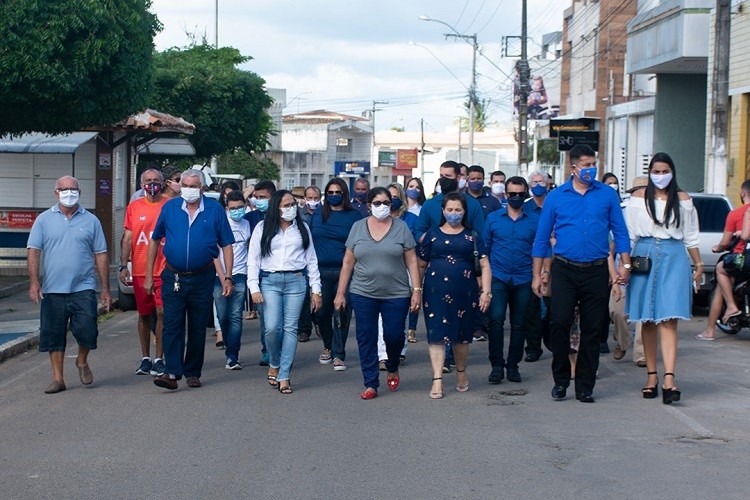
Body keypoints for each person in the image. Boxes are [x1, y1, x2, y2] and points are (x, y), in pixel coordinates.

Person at [532, 144, 631, 403]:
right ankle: (561, 380)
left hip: (596, 270)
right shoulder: (556, 197)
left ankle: (585, 385)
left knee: (593, 328)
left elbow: (620, 232)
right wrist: (537, 274)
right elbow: (542, 239)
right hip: (564, 268)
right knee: (559, 322)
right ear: (573, 167)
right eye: (585, 165)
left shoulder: (607, 194)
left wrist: (625, 265)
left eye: (593, 164)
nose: (590, 169)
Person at [146, 169, 235, 391]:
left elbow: (226, 245)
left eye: (193, 185)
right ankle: (172, 372)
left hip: (202, 277)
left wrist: (227, 277)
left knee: (197, 326)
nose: (189, 189)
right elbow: (155, 240)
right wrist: (149, 274)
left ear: (202, 188)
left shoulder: (214, 209)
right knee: (172, 324)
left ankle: (193, 371)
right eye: (185, 184)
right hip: (173, 275)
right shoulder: (170, 208)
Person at [624, 153, 702, 404]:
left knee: (669, 320)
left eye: (664, 171)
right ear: (649, 173)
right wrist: (623, 265)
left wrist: (699, 264)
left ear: (672, 172)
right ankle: (651, 375)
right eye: (655, 172)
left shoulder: (684, 200)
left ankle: (669, 378)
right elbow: (629, 235)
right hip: (644, 256)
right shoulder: (637, 199)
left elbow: (691, 236)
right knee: (646, 320)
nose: (660, 176)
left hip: (674, 257)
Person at [334, 187, 421, 400]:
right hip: (363, 292)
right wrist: (340, 293)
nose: (382, 207)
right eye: (377, 203)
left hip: (397, 293)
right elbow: (348, 261)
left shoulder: (401, 228)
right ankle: (371, 382)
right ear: (368, 205)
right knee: (366, 337)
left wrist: (416, 290)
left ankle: (392, 365)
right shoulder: (358, 227)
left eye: (386, 202)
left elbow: (411, 260)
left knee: (393, 335)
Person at [27, 176, 111, 394]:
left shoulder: (91, 220)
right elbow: (34, 251)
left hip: (83, 288)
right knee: (53, 334)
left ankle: (82, 360)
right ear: (56, 193)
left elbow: (101, 254)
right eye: (64, 189)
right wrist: (34, 281)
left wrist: (106, 289)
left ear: (80, 192)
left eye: (73, 189)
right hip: (53, 289)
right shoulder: (44, 220)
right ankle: (58, 378)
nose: (68, 193)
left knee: (88, 330)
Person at [248, 190, 322, 394]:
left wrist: (316, 291)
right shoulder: (262, 228)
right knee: (272, 328)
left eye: (292, 204)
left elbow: (312, 260)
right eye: (285, 205)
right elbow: (253, 261)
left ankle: (284, 374)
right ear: (275, 208)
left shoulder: (302, 228)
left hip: (296, 281)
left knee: (290, 329)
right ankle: (274, 360)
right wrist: (253, 288)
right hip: (270, 281)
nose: (290, 209)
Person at [419, 192, 491, 399]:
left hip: (465, 294)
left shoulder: (473, 236)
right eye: (449, 210)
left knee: (461, 338)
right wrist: (415, 290)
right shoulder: (432, 234)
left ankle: (461, 372)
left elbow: (485, 265)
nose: (453, 213)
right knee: (437, 336)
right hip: (434, 293)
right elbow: (421, 264)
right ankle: (437, 380)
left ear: (464, 211)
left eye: (457, 210)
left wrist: (486, 292)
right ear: (443, 211)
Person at [416, 160, 486, 372]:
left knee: (460, 318)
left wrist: (481, 278)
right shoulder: (430, 205)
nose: (443, 180)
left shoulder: (471, 205)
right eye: (441, 176)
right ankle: (443, 360)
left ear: (458, 177)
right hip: (437, 272)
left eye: (448, 176)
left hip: (465, 273)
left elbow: (479, 238)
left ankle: (457, 357)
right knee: (439, 317)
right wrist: (433, 239)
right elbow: (419, 232)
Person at [483, 177, 540, 384]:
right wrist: (483, 281)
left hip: (524, 278)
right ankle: (497, 366)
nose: (516, 197)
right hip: (498, 276)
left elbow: (541, 250)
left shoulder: (535, 220)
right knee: (496, 321)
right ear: (505, 195)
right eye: (512, 194)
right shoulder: (493, 218)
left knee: (519, 324)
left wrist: (541, 275)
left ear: (526, 195)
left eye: (520, 194)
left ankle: (513, 366)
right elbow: (484, 250)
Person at [309, 179, 363, 370]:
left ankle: (339, 354)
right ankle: (327, 345)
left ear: (345, 194)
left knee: (342, 311)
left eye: (337, 192)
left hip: (345, 272)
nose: (334, 195)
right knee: (321, 312)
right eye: (330, 192)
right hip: (320, 272)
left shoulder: (354, 216)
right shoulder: (318, 214)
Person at [120, 168, 168, 377]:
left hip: (164, 269)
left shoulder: (170, 205)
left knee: (162, 313)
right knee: (144, 315)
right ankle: (145, 358)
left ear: (163, 183)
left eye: (156, 180)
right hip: (140, 270)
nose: (152, 183)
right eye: (148, 180)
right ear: (141, 184)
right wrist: (123, 265)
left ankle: (160, 358)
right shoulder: (134, 206)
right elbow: (128, 238)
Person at [698, 180, 750, 340]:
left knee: (721, 272)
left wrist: (719, 247)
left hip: (742, 258)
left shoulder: (738, 213)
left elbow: (727, 242)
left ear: (742, 194)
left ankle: (727, 312)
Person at [375, 183, 418, 365]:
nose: (389, 202)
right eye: (385, 199)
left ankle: (400, 349)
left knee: (400, 314)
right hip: (380, 272)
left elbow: (414, 249)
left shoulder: (411, 219)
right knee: (379, 316)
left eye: (393, 197)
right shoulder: (374, 220)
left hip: (403, 271)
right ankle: (383, 354)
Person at [213, 190, 251, 370]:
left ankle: (233, 355)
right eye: (233, 208)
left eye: (240, 208)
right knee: (223, 316)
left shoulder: (248, 224)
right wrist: (223, 277)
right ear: (226, 208)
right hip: (218, 276)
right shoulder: (220, 224)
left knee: (236, 316)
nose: (237, 211)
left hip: (240, 274)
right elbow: (214, 255)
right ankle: (228, 343)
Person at [243, 179, 276, 365]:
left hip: (279, 273)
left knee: (281, 320)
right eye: (256, 197)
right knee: (266, 317)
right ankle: (267, 350)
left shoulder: (283, 217)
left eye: (263, 197)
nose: (259, 200)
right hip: (260, 274)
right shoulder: (250, 218)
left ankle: (279, 350)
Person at [522, 170, 551, 362]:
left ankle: (553, 341)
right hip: (532, 261)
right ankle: (533, 347)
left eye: (541, 181)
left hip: (555, 261)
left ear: (548, 184)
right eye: (534, 182)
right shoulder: (526, 208)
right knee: (532, 306)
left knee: (551, 305)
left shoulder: (554, 203)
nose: (538, 184)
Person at [296, 185, 321, 343]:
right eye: (309, 198)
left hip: (320, 256)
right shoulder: (298, 214)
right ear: (304, 199)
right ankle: (304, 329)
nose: (312, 201)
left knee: (318, 293)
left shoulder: (324, 213)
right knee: (304, 296)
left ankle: (319, 322)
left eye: (315, 198)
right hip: (302, 259)